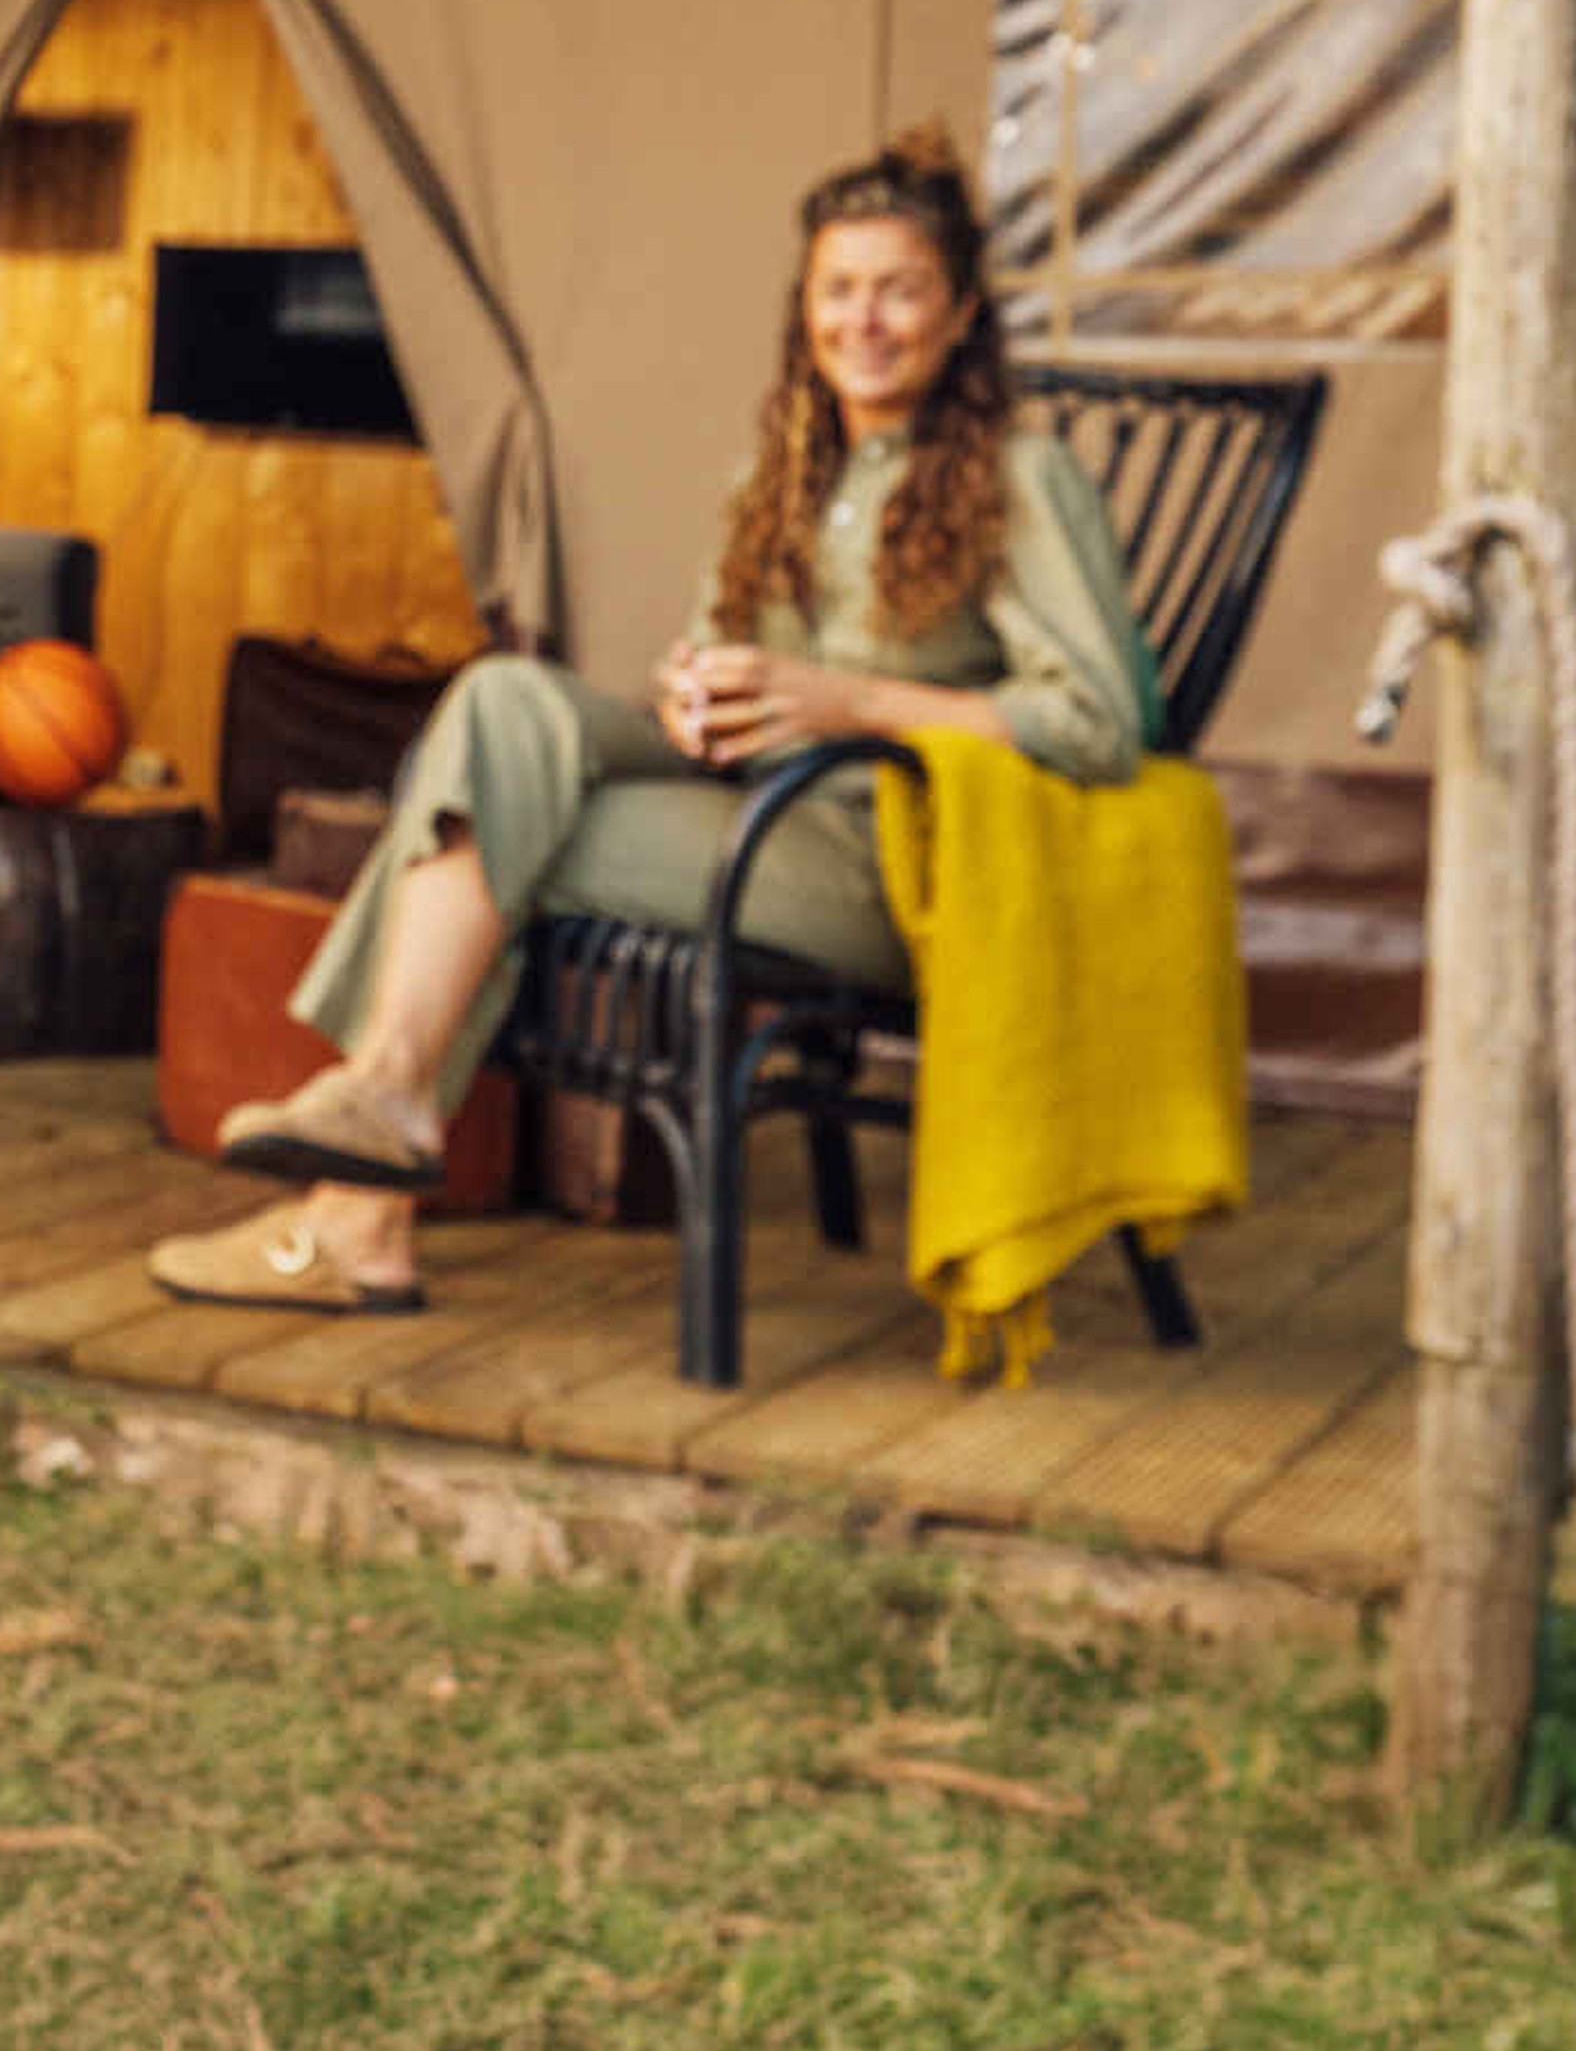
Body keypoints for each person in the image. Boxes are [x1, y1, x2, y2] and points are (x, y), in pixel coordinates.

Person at [151, 125, 1154, 1315]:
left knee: (498, 836)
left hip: (877, 857)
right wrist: (695, 696)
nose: (865, 322)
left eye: (900, 291)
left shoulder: (1021, 480)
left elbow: (1103, 724)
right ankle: (383, 1106)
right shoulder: (784, 469)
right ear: (806, 307)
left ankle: (361, 1199)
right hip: (739, 802)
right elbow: (719, 668)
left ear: (960, 310)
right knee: (506, 705)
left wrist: (857, 703)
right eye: (840, 290)